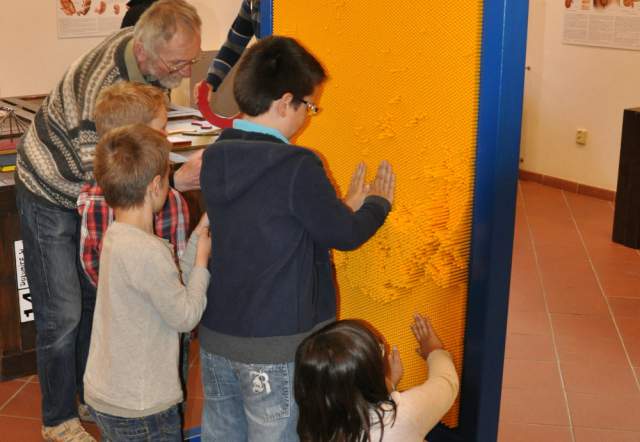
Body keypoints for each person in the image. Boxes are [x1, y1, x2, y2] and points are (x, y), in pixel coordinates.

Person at [15, 1, 202, 439]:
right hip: (51, 187)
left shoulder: (148, 62)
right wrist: (173, 179)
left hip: (94, 187)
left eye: (190, 60)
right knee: (61, 313)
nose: (185, 73)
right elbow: (109, 179)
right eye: (178, 64)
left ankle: (88, 395)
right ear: (144, 51)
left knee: (91, 298)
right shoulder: (101, 88)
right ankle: (58, 419)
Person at [199, 35, 396, 442]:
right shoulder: (297, 165)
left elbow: (274, 222)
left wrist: (339, 206)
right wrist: (377, 204)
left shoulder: (217, 154)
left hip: (217, 337)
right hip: (274, 345)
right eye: (309, 106)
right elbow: (344, 235)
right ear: (285, 102)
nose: (308, 116)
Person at [83, 124, 210, 442]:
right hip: (142, 406)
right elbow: (185, 316)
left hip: (110, 395)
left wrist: (197, 236)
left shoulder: (117, 235)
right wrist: (202, 264)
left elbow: (167, 285)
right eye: (168, 177)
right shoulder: (147, 250)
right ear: (155, 186)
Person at [76, 81, 192, 419]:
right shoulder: (165, 200)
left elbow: (92, 264)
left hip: (130, 323)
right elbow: (179, 267)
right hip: (160, 322)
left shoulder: (93, 197)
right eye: (161, 129)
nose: (167, 138)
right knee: (162, 402)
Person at [294, 314, 460, 442]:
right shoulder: (402, 415)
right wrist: (435, 351)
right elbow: (446, 383)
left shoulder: (314, 427)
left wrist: (389, 384)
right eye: (380, 350)